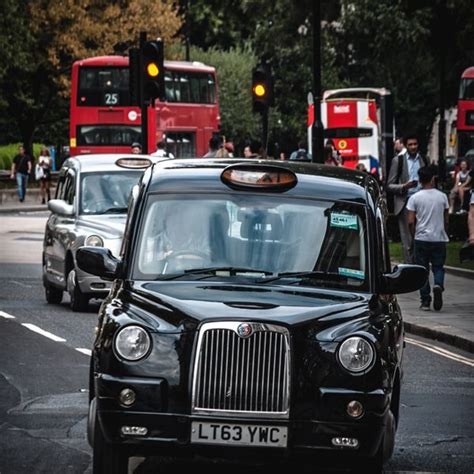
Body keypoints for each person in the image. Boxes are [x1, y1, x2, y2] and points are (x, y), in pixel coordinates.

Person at [407, 166, 449, 311]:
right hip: (439, 238)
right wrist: (444, 231)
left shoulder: (414, 198)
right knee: (438, 267)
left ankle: (425, 301)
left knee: (422, 270)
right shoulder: (442, 197)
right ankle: (438, 284)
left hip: (421, 238)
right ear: (433, 178)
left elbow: (411, 221)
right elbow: (446, 218)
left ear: (419, 180)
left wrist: (414, 235)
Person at [386, 133, 428, 263]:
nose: (413, 147)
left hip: (422, 202)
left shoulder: (423, 159)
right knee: (408, 241)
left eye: (415, 144)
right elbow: (389, 185)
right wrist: (404, 186)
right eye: (410, 144)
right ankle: (410, 270)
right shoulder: (398, 161)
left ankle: (420, 269)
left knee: (421, 239)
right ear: (405, 145)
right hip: (406, 203)